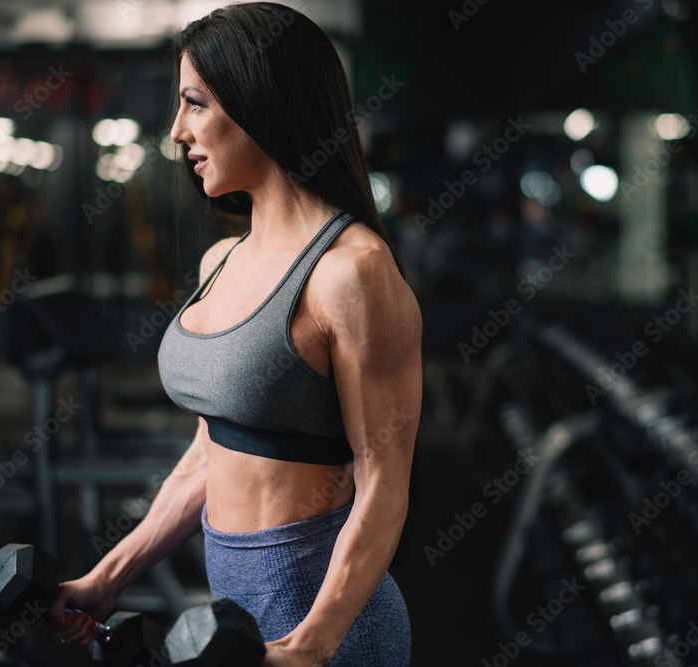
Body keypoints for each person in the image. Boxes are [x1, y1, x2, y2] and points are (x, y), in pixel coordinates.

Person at [45, 4, 422, 666]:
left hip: (325, 618)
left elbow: (385, 478)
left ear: (261, 102)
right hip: (234, 612)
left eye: (194, 104)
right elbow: (205, 458)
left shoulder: (352, 271)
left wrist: (312, 641)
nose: (175, 132)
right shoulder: (219, 262)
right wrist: (107, 577)